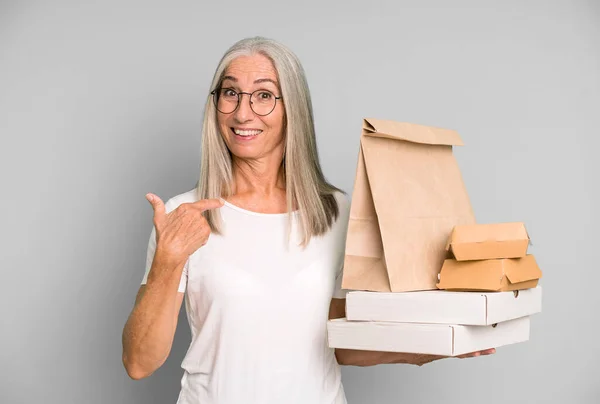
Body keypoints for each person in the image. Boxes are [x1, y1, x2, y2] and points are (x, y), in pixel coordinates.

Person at [121, 36, 494, 404]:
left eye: (264, 95)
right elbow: (139, 363)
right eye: (230, 93)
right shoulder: (185, 215)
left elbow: (343, 345)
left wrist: (440, 346)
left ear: (293, 109)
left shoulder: (336, 213)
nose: (242, 113)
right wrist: (167, 261)